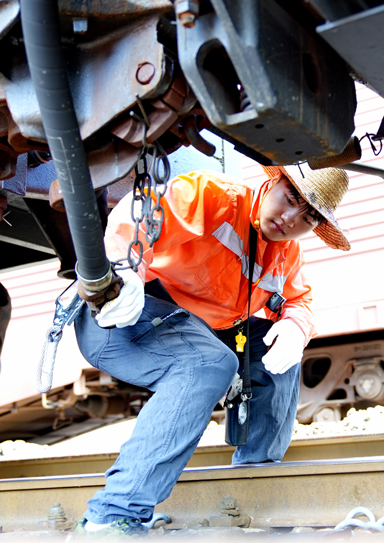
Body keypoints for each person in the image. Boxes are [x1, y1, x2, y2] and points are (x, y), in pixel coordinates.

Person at [72, 163, 351, 536]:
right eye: (291, 199)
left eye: (309, 216)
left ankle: (252, 486)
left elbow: (300, 300)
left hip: (202, 330)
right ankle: (112, 514)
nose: (289, 219)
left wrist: (296, 327)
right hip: (122, 314)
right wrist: (122, 272)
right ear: (273, 183)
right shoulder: (214, 196)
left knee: (279, 351)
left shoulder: (285, 253)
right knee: (209, 363)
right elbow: (142, 214)